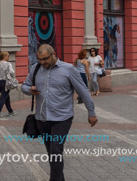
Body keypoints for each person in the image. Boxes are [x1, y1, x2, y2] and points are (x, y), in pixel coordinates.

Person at [22, 44, 97, 181]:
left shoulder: (68, 70)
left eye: (45, 59)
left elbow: (83, 91)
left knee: (56, 150)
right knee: (51, 152)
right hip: (42, 118)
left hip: (62, 118)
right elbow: (24, 86)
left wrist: (91, 112)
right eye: (40, 59)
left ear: (54, 54)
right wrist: (29, 90)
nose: (43, 62)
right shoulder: (36, 68)